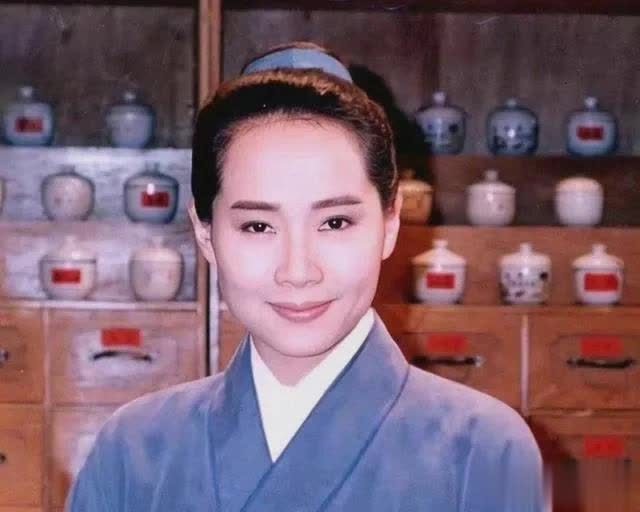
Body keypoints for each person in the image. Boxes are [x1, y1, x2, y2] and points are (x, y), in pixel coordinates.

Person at [66, 41, 544, 511]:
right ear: (205, 234)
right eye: (258, 226)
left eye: (335, 223)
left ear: (390, 223)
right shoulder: (130, 452)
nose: (298, 271)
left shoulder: (485, 450)